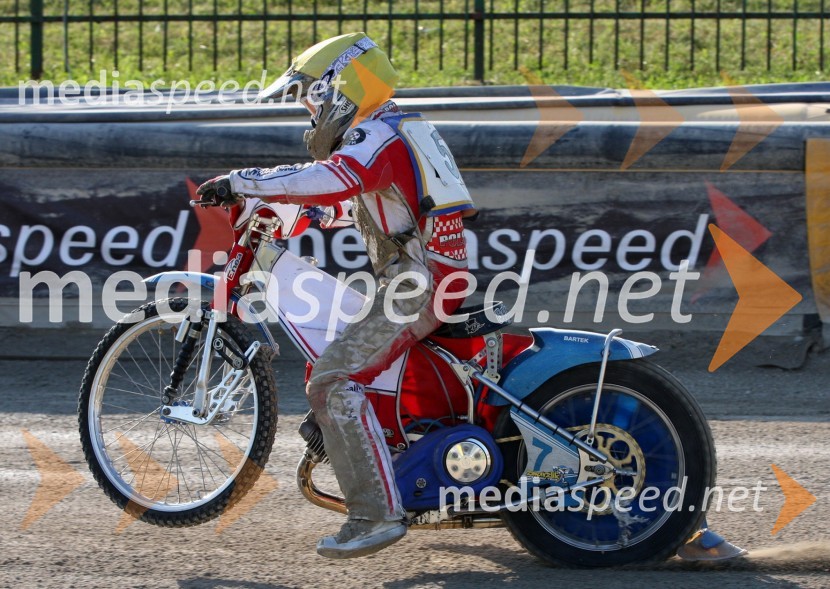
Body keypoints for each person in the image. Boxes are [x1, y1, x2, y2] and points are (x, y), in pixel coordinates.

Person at [196, 32, 476, 559]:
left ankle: (375, 514)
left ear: (341, 87)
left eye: (312, 97)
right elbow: (358, 202)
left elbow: (333, 179)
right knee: (333, 361)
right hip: (423, 275)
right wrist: (300, 212)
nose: (310, 112)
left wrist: (244, 182)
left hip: (420, 283)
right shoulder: (391, 128)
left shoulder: (376, 136)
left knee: (334, 377)